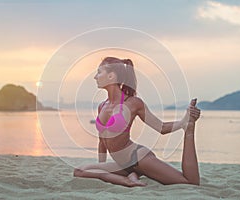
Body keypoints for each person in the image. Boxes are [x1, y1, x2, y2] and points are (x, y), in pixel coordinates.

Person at [73, 57, 201, 187]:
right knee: (79, 171)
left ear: (111, 76)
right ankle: (128, 179)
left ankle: (189, 128)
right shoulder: (102, 106)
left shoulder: (133, 103)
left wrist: (183, 121)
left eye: (99, 72)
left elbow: (161, 128)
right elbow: (102, 141)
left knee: (190, 182)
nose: (95, 77)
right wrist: (101, 167)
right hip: (123, 165)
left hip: (138, 158)